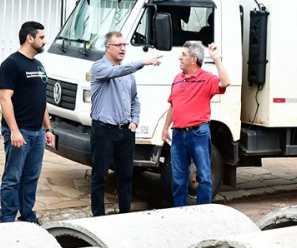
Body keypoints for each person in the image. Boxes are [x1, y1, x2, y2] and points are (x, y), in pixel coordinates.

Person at [90, 32, 162, 216]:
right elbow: (116, 72)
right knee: (100, 176)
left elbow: (134, 100)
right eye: (118, 45)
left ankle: (125, 215)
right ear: (108, 47)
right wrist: (143, 62)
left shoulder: (127, 72)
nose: (123, 48)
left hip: (125, 132)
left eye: (124, 45)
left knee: (126, 176)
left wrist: (134, 121)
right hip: (104, 131)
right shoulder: (99, 68)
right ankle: (98, 217)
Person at [0, 20, 54, 224]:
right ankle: (7, 219)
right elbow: (5, 98)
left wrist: (48, 129)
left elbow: (41, 100)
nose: (44, 41)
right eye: (41, 37)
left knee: (31, 177)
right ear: (29, 38)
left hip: (37, 133)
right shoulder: (11, 64)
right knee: (12, 178)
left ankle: (27, 215)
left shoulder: (39, 65)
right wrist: (14, 130)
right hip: (19, 132)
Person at [161, 41, 230, 206]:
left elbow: (226, 82)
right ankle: (180, 212)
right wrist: (165, 128)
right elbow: (173, 105)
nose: (179, 58)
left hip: (198, 134)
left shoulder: (207, 79)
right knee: (178, 178)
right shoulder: (177, 79)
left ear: (193, 59)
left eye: (183, 55)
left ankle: (203, 213)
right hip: (178, 134)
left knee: (204, 177)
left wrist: (216, 58)